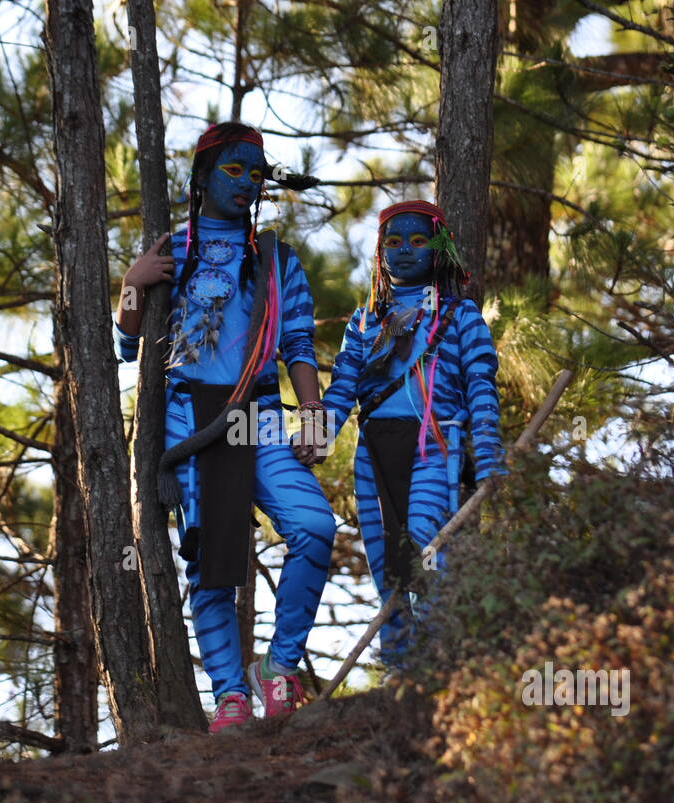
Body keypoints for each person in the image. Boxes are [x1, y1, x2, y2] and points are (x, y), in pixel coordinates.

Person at [115, 122, 334, 733]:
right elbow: (127, 346)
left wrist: (313, 413)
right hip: (189, 414)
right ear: (203, 175)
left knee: (314, 527)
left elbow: (296, 342)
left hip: (258, 413)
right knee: (210, 554)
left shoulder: (275, 258)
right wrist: (133, 285)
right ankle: (229, 695)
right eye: (233, 170)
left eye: (256, 173)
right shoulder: (171, 248)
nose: (246, 182)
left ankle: (279, 667)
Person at [321, 200, 505, 664]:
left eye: (418, 241)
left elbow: (481, 385)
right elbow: (342, 388)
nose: (404, 251)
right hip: (374, 451)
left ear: (439, 249)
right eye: (393, 242)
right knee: (387, 567)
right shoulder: (363, 322)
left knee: (428, 548)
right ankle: (400, 680)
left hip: (434, 443)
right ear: (380, 253)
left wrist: (487, 456)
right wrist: (311, 439)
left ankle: (436, 665)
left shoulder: (460, 316)